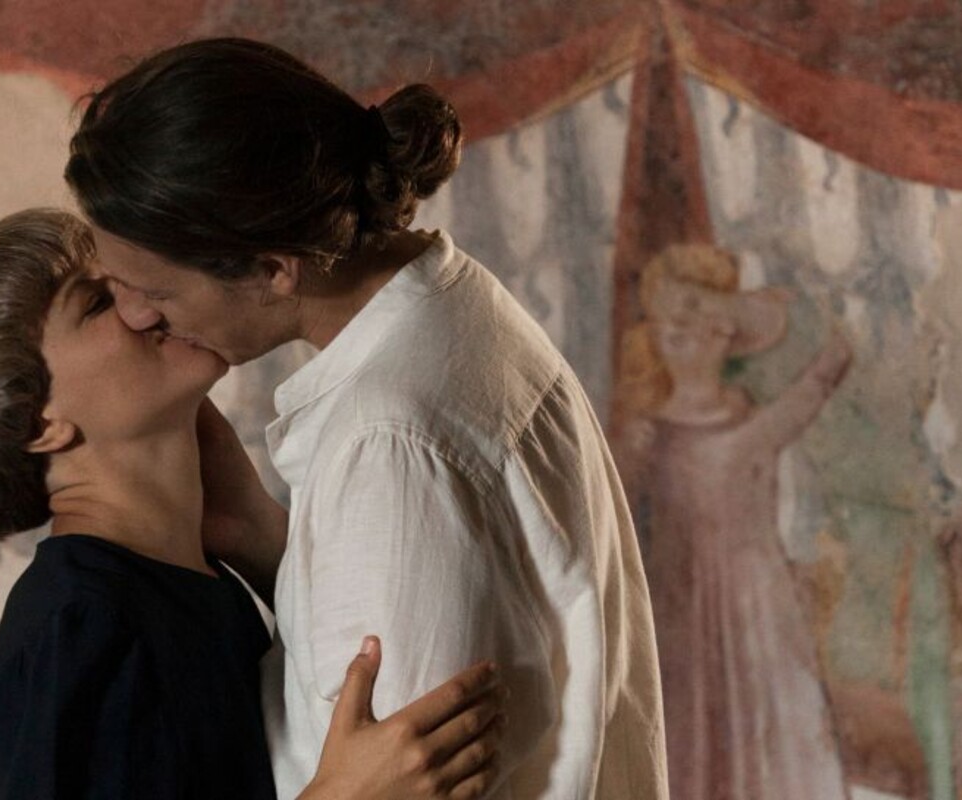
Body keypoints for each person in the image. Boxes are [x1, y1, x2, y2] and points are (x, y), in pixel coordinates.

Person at [65, 37, 668, 799]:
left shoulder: (389, 443)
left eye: (155, 291)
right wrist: (265, 542)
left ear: (273, 268)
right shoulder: (457, 306)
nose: (135, 315)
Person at [0, 209, 506, 800]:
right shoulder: (72, 630)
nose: (142, 298)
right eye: (97, 302)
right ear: (38, 423)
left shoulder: (199, 583)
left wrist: (259, 538)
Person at [617, 244, 852, 799]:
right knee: (684, 741)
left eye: (698, 317)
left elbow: (823, 375)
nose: (682, 333)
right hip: (678, 603)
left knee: (771, 738)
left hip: (755, 605)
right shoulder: (645, 432)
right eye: (670, 320)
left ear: (726, 333)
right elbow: (607, 517)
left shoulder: (751, 420)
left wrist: (816, 302)